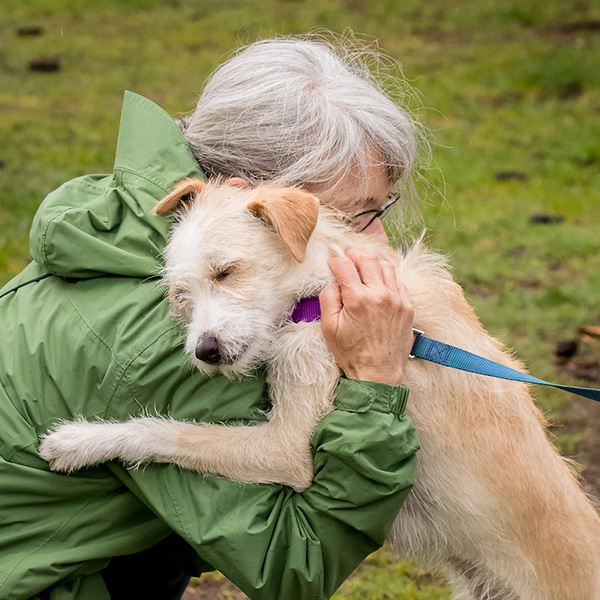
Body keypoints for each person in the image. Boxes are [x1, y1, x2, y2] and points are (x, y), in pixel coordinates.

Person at [0, 36, 420, 600]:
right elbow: (297, 564)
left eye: (380, 210)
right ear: (253, 197)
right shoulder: (162, 341)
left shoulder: (140, 226)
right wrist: (375, 383)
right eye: (350, 216)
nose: (381, 244)